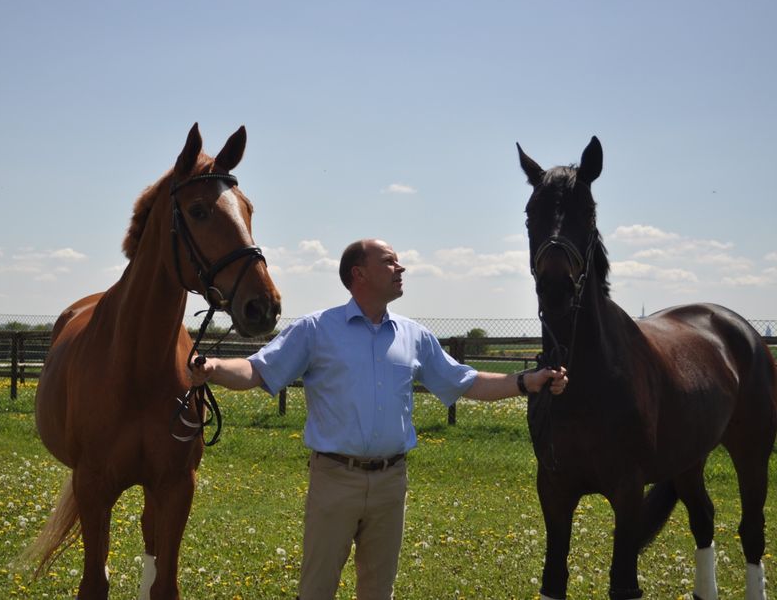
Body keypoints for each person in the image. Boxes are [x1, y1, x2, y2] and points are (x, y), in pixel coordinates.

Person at [189, 238, 567, 600]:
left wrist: (525, 382)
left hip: (391, 483)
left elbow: (464, 381)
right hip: (334, 480)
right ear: (359, 274)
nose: (399, 266)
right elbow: (257, 371)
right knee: (317, 588)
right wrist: (216, 366)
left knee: (378, 593)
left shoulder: (413, 335)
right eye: (388, 260)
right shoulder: (316, 330)